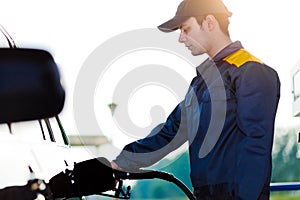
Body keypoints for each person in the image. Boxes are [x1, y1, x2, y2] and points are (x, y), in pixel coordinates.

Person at [111, 0, 281, 199]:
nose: (181, 39)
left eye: (186, 29)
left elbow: (255, 147)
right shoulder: (201, 83)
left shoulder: (251, 72)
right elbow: (169, 133)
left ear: (209, 22)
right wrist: (120, 163)